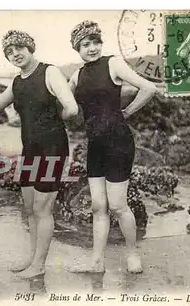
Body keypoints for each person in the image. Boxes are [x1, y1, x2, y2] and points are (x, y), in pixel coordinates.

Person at [0, 30, 79, 279]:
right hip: (30, 150)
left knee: (42, 209)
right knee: (29, 207)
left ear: (30, 47)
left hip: (53, 148)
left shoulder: (49, 72)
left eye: (19, 48)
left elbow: (71, 107)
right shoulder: (17, 82)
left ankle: (39, 265)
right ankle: (33, 257)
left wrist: (54, 123)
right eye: (9, 52)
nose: (15, 54)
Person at [67, 21, 157, 274]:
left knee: (118, 206)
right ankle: (96, 262)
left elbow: (149, 88)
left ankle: (132, 254)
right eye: (86, 44)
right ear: (77, 48)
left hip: (118, 142)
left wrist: (127, 111)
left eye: (96, 42)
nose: (92, 48)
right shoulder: (77, 74)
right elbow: (65, 102)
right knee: (98, 206)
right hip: (95, 145)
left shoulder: (113, 63)